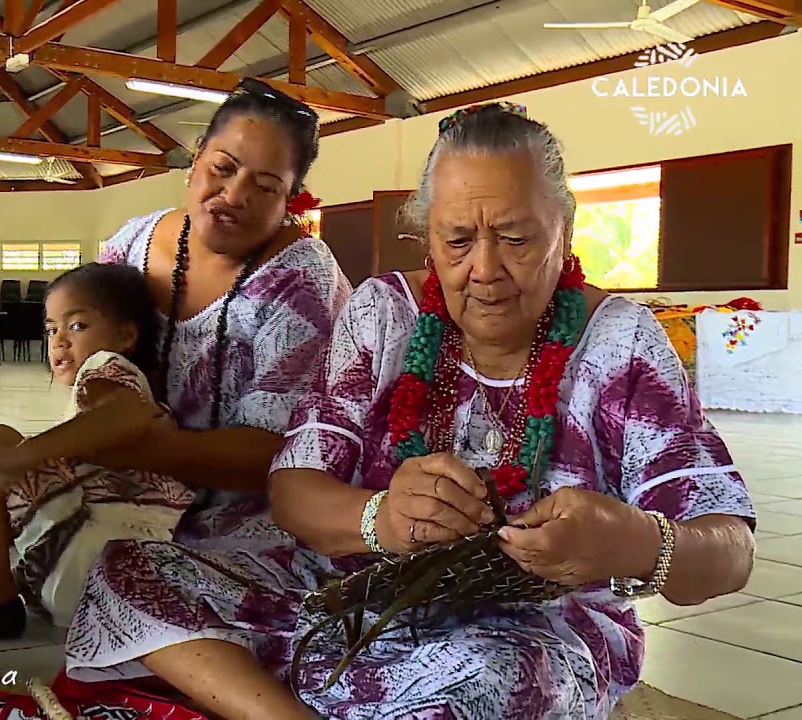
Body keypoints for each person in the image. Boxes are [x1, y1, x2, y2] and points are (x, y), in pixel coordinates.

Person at [264, 103, 756, 718]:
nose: (486, 270)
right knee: (139, 573)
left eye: (517, 239)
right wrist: (380, 518)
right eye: (458, 240)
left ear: (565, 233)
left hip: (534, 637)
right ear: (426, 235)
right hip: (360, 606)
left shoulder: (619, 343)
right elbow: (293, 490)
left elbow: (730, 549)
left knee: (489, 682)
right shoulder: (383, 315)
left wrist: (633, 542)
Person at [62, 79, 352, 713]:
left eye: (266, 188)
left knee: (124, 582)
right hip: (135, 501)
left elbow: (268, 459)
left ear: (291, 199)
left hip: (257, 524)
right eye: (222, 169)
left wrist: (142, 445)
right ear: (195, 160)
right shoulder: (131, 248)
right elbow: (85, 354)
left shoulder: (301, 284)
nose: (234, 196)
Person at [0, 263, 196, 634]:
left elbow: (131, 413)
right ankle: (2, 579)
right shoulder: (106, 388)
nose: (59, 340)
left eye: (77, 325)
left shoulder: (106, 368)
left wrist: (24, 454)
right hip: (114, 580)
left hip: (97, 558)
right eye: (51, 329)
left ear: (126, 335)